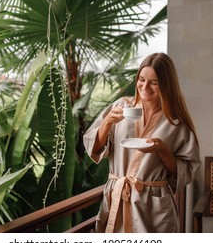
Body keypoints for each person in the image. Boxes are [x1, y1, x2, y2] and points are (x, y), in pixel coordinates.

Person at [83, 52, 201, 233]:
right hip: (118, 197)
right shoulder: (120, 106)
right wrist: (106, 123)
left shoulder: (175, 123)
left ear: (166, 85)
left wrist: (161, 150)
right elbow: (95, 149)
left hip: (153, 207)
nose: (145, 87)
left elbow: (185, 172)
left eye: (154, 82)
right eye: (141, 79)